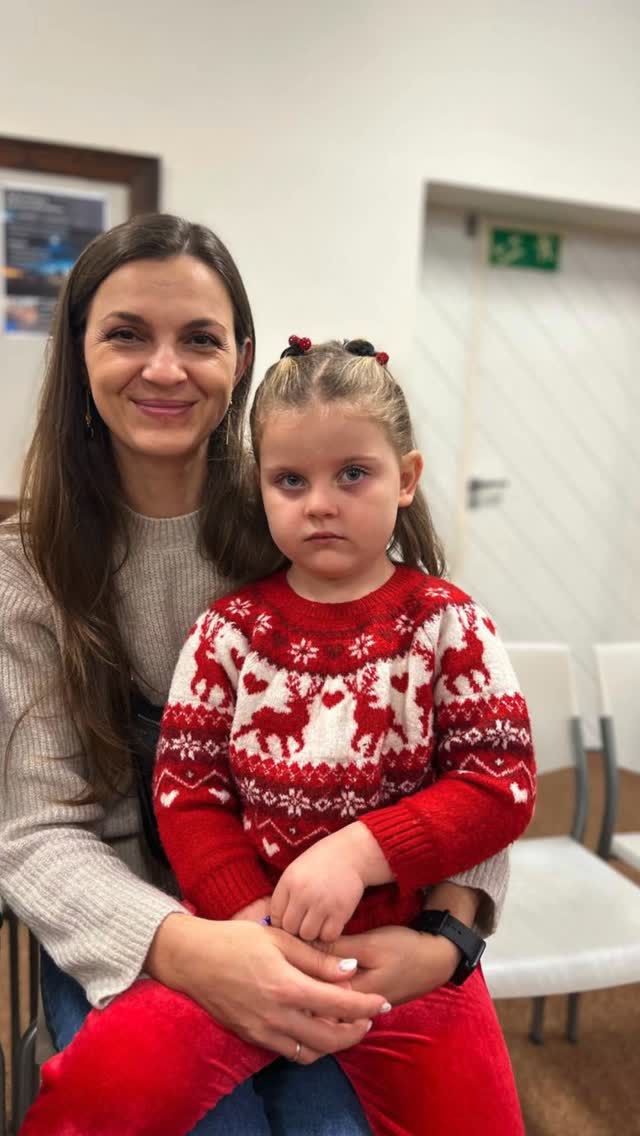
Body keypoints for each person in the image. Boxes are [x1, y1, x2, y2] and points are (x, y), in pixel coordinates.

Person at [1, 213, 516, 1136]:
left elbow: (467, 760)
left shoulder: (310, 512)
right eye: (127, 334)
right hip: (138, 924)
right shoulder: (27, 569)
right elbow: (36, 831)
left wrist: (451, 933)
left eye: (199, 339)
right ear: (77, 353)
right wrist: (203, 945)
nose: (166, 369)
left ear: (240, 357)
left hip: (349, 930)